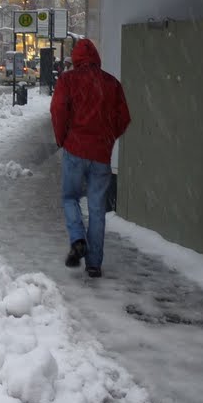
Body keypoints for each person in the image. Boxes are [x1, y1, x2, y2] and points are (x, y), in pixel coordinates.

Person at [50, 38, 131, 278]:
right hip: (101, 154)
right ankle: (94, 263)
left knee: (69, 197)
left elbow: (58, 110)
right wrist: (107, 137)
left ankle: (78, 239)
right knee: (97, 208)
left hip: (75, 149)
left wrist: (62, 138)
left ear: (75, 59)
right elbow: (123, 117)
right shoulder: (112, 84)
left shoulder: (68, 80)